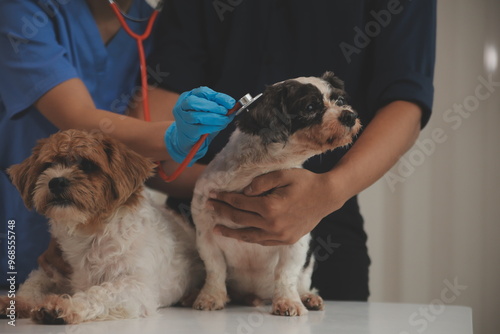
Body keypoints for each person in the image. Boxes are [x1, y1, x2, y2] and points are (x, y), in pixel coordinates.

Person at [143, 0, 437, 301]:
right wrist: (222, 183)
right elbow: (152, 149)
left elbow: (406, 99)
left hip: (325, 216)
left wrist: (329, 190)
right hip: (197, 229)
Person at [0, 0, 236, 286]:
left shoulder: (154, 25)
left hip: (101, 243)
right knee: (17, 303)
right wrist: (172, 137)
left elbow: (161, 170)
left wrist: (237, 180)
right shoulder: (22, 11)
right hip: (22, 215)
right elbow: (78, 117)